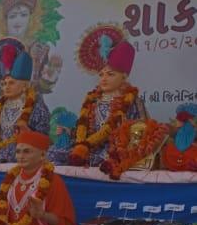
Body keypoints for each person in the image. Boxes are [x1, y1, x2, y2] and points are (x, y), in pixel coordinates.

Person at [54, 39, 146, 167]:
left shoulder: (131, 101)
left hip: (115, 150)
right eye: (101, 75)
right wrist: (69, 132)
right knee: (55, 154)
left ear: (124, 77)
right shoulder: (93, 100)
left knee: (108, 159)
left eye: (110, 74)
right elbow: (85, 131)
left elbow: (141, 131)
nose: (104, 79)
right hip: (89, 148)